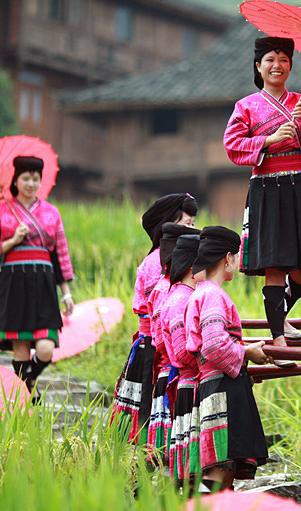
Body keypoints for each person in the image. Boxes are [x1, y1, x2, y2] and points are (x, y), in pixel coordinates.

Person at [223, 36, 301, 350]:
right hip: (268, 188)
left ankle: (280, 314)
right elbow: (232, 146)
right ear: (258, 67)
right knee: (275, 265)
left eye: (284, 60)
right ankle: (279, 340)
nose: (277, 66)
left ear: (291, 66)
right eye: (270, 60)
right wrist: (270, 139)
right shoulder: (245, 107)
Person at [0, 156, 74, 403]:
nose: (31, 183)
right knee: (20, 344)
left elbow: (60, 254)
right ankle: (25, 395)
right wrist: (11, 241)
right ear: (16, 180)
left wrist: (66, 293)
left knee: (45, 348)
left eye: (35, 179)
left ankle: (29, 378)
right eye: (26, 178)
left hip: (43, 281)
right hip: (13, 280)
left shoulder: (52, 213)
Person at [185, 225, 273, 492]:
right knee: (218, 466)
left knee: (224, 469)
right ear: (227, 259)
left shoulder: (199, 292)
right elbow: (213, 345)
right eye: (235, 257)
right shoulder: (212, 294)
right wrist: (247, 352)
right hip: (223, 386)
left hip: (213, 384)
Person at [111, 193, 198, 444]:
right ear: (168, 226)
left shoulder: (176, 260)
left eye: (193, 225)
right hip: (156, 348)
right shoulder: (157, 263)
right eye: (187, 225)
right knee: (150, 417)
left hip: (164, 344)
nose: (193, 231)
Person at [147, 222, 199, 461]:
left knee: (172, 449)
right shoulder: (173, 295)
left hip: (167, 369)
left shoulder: (168, 289)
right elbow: (172, 345)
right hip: (176, 373)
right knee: (178, 451)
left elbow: (159, 339)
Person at [161, 233, 203, 486]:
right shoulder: (180, 301)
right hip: (191, 384)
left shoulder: (183, 295)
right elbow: (182, 354)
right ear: (191, 266)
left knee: (194, 466)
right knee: (195, 468)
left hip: (191, 382)